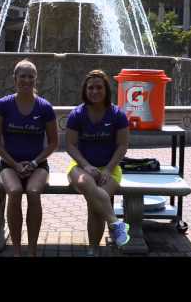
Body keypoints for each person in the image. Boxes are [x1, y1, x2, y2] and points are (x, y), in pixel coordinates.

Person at [0, 59, 58, 256]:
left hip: (38, 165)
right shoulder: (3, 105)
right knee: (14, 191)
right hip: (9, 165)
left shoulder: (44, 107)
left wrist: (35, 162)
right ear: (15, 79)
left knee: (33, 191)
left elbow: (54, 143)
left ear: (36, 79)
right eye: (23, 76)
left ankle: (33, 249)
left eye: (31, 76)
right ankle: (18, 250)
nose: (27, 80)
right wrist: (15, 164)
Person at [65, 69, 131, 256]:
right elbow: (70, 145)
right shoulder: (76, 114)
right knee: (86, 183)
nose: (95, 91)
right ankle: (115, 224)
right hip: (80, 166)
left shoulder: (117, 115)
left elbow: (122, 145)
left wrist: (109, 169)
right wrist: (86, 165)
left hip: (109, 168)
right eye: (91, 88)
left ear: (106, 89)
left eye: (99, 87)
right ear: (85, 90)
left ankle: (93, 249)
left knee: (95, 204)